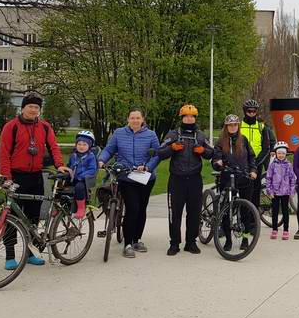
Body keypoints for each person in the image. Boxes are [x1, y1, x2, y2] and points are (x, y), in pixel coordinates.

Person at [0, 91, 68, 269]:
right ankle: (10, 256)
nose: (33, 110)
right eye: (30, 106)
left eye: (36, 107)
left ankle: (30, 253)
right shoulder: (11, 126)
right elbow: (4, 154)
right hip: (16, 176)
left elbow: (53, 146)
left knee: (33, 218)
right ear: (23, 108)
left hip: (36, 177)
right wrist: (6, 177)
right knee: (12, 217)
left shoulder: (44, 127)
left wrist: (59, 164)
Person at [97, 108, 160, 259]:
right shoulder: (119, 133)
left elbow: (158, 154)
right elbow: (109, 149)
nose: (135, 120)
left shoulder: (151, 135)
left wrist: (148, 166)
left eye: (138, 118)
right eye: (132, 118)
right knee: (132, 208)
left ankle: (137, 240)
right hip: (126, 176)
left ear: (143, 119)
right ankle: (128, 244)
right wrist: (101, 160)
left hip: (146, 177)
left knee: (141, 209)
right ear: (128, 119)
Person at [157, 104, 214, 256]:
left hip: (195, 179)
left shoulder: (201, 135)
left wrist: (203, 151)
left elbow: (211, 152)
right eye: (186, 116)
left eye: (192, 116)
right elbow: (160, 152)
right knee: (174, 213)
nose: (189, 119)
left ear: (195, 118)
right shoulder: (174, 134)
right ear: (182, 118)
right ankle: (174, 243)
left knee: (194, 212)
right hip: (177, 179)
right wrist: (172, 148)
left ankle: (191, 242)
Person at [212, 114, 258, 251]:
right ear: (226, 127)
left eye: (235, 125)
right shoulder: (220, 142)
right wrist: (217, 163)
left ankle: (245, 238)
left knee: (245, 210)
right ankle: (228, 239)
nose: (233, 127)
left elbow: (252, 157)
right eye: (230, 125)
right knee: (226, 209)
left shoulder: (243, 140)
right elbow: (215, 159)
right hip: (227, 177)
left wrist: (253, 170)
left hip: (243, 177)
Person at [239, 99, 274, 210]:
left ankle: (254, 220)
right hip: (241, 163)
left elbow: (266, 148)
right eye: (249, 111)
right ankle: (241, 217)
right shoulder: (239, 126)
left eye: (254, 111)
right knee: (242, 191)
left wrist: (256, 163)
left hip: (256, 164)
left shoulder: (261, 127)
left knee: (255, 191)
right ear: (245, 111)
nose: (251, 113)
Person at [265, 141, 296, 240]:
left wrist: (292, 191)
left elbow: (292, 179)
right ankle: (274, 229)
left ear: (286, 154)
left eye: (283, 153)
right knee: (274, 211)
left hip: (285, 192)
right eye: (279, 153)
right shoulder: (272, 165)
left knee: (285, 211)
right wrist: (269, 191)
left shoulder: (289, 165)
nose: (281, 155)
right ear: (276, 154)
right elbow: (268, 178)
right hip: (275, 192)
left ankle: (286, 230)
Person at [67, 130, 98, 220]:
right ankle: (59, 206)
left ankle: (81, 207)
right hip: (73, 177)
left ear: (89, 146)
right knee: (59, 186)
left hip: (84, 179)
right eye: (79, 144)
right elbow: (69, 165)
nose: (81, 146)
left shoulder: (91, 156)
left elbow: (92, 169)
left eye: (84, 144)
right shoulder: (73, 155)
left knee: (79, 188)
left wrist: (81, 176)